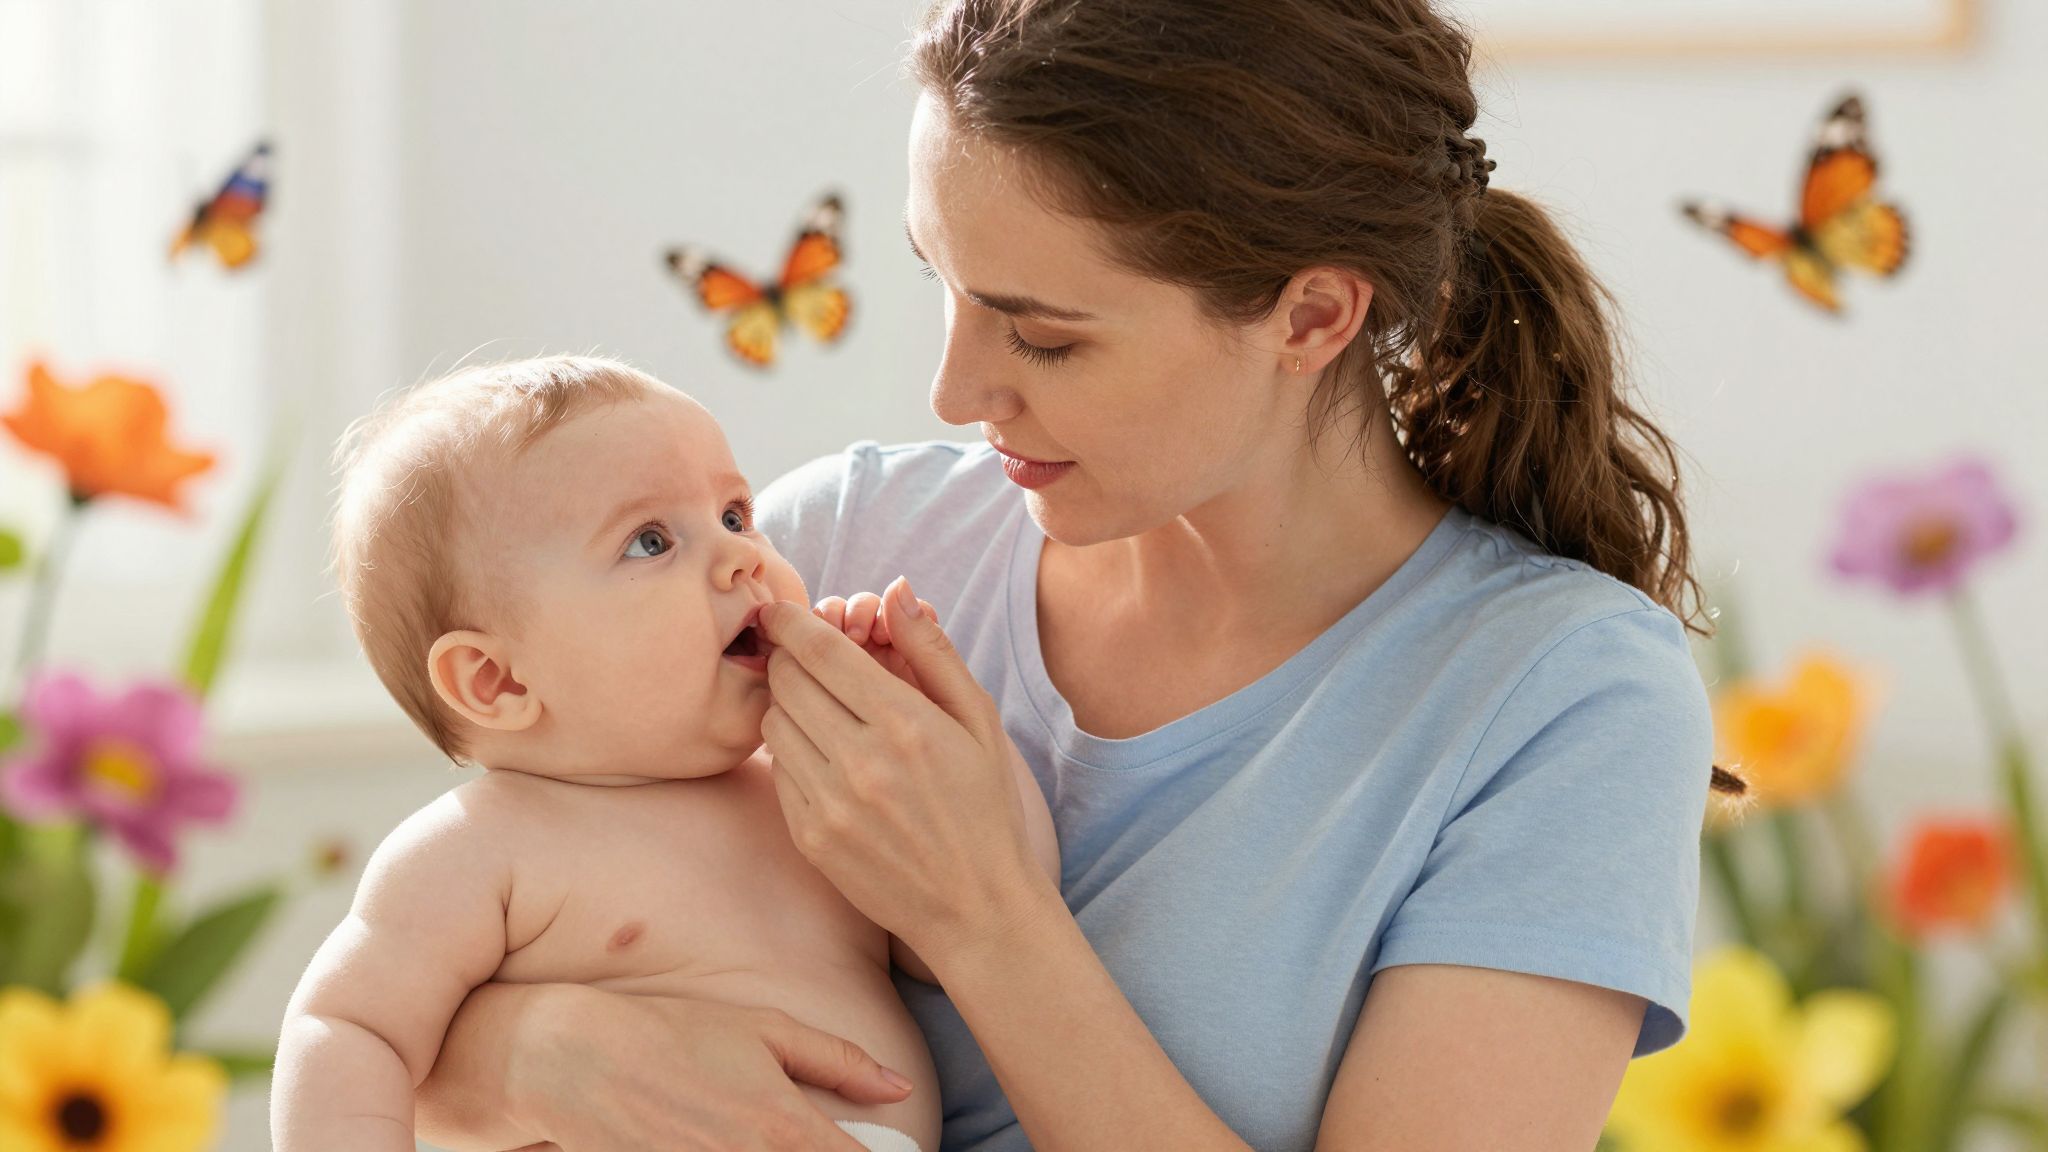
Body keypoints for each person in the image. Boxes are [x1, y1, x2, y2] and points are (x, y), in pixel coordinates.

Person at [415, 1, 1748, 1149]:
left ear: (1311, 317)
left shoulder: (1559, 699)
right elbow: (423, 985)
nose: (953, 390)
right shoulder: (832, 546)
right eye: (941, 282)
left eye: (1043, 339)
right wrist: (540, 1053)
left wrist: (986, 917)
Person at [274, 358, 1057, 1152]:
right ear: (497, 678)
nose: (741, 557)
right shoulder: (481, 847)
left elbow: (980, 914)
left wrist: (924, 731)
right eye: (649, 542)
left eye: (734, 514)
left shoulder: (814, 791)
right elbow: (347, 1029)